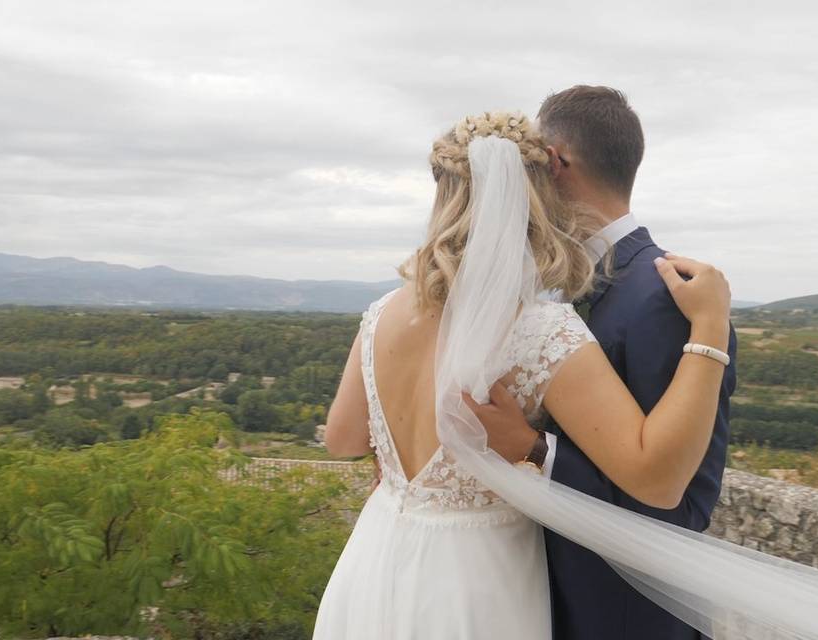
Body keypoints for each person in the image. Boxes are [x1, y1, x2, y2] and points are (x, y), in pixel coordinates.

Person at [313, 110, 732, 639]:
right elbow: (658, 478)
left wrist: (403, 460)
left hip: (375, 561)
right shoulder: (539, 329)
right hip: (477, 582)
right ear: (532, 196)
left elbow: (342, 438)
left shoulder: (383, 313)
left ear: (443, 197)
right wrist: (712, 325)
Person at [464, 85, 738, 640]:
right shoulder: (579, 286)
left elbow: (677, 506)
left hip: (625, 614)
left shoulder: (661, 295)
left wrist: (535, 452)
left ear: (556, 163)